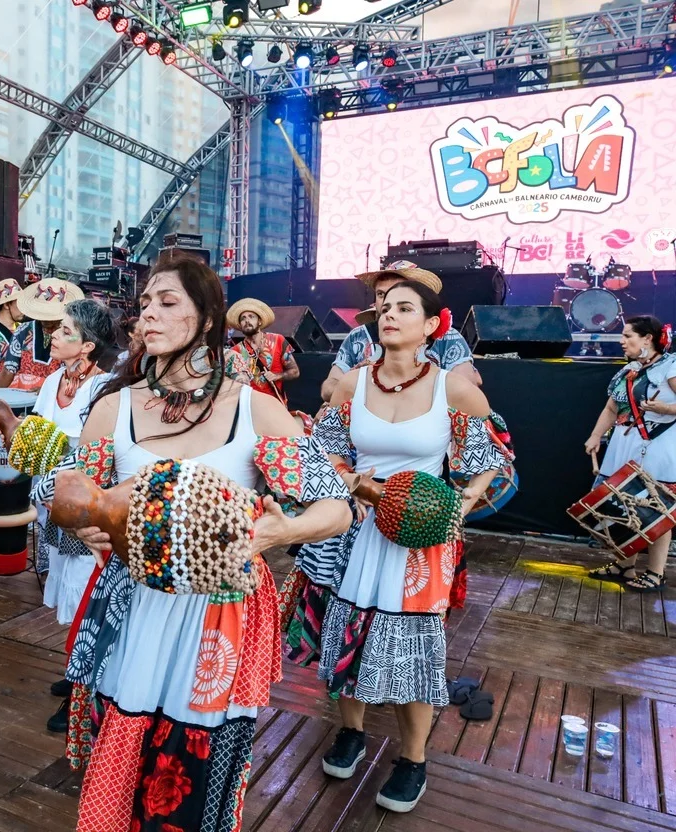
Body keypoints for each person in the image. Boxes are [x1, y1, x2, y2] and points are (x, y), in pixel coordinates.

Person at [33, 250, 352, 832]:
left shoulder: (256, 410)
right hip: (132, 606)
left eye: (167, 301)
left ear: (206, 318)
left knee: (192, 781)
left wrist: (284, 530)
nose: (148, 314)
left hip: (218, 616)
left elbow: (336, 508)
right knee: (123, 763)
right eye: (145, 303)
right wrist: (81, 520)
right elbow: (67, 491)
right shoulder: (114, 408)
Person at [287, 280, 504, 813]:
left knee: (413, 652)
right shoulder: (352, 383)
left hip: (417, 542)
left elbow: (491, 461)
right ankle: (351, 733)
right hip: (354, 529)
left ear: (431, 325)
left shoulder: (453, 389)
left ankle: (413, 760)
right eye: (385, 308)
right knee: (347, 637)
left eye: (404, 308)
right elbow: (323, 454)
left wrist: (457, 506)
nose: (388, 315)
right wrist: (353, 484)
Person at [31, 298, 116, 734]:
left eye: (65, 331)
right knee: (66, 578)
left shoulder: (105, 387)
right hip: (53, 499)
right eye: (57, 329)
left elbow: (96, 454)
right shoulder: (52, 382)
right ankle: (75, 669)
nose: (54, 336)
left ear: (87, 346)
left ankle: (83, 692)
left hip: (84, 502)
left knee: (86, 589)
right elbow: (40, 435)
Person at [583, 315, 676, 593]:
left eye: (627, 336)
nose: (622, 341)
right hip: (624, 445)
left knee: (656, 509)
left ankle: (656, 573)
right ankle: (624, 565)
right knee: (623, 506)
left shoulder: (670, 367)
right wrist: (596, 436)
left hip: (657, 446)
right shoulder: (630, 370)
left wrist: (666, 409)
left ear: (647, 338)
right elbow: (612, 408)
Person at [320, 261, 479, 404]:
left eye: (397, 294)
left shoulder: (448, 337)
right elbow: (328, 389)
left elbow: (467, 388)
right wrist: (355, 379)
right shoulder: (358, 337)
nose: (387, 301)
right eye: (381, 294)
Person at [0, 277, 84, 391]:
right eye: (42, 312)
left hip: (57, 396)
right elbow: (8, 371)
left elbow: (77, 374)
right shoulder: (23, 330)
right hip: (24, 396)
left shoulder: (72, 335)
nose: (45, 318)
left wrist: (47, 390)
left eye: (50, 314)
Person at [224, 298, 299, 401]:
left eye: (251, 317)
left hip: (275, 404)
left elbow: (295, 371)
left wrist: (277, 376)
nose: (247, 321)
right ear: (240, 325)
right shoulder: (235, 351)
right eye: (243, 318)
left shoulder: (278, 340)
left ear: (259, 321)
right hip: (250, 404)